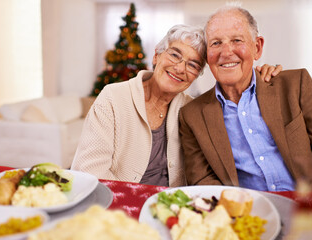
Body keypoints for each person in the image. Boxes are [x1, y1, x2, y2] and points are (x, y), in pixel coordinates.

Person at [71, 24, 281, 187]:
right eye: (174, 55)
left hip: (173, 209)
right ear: (156, 56)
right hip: (119, 207)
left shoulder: (192, 109)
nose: (180, 68)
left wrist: (260, 77)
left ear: (196, 76)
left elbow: (234, 115)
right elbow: (89, 172)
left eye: (192, 65)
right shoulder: (113, 98)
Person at [179, 5, 312, 191]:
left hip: (307, 210)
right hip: (248, 214)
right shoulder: (191, 116)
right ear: (207, 55)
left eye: (236, 40)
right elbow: (203, 181)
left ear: (257, 48)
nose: (226, 53)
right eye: (216, 43)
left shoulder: (295, 85)